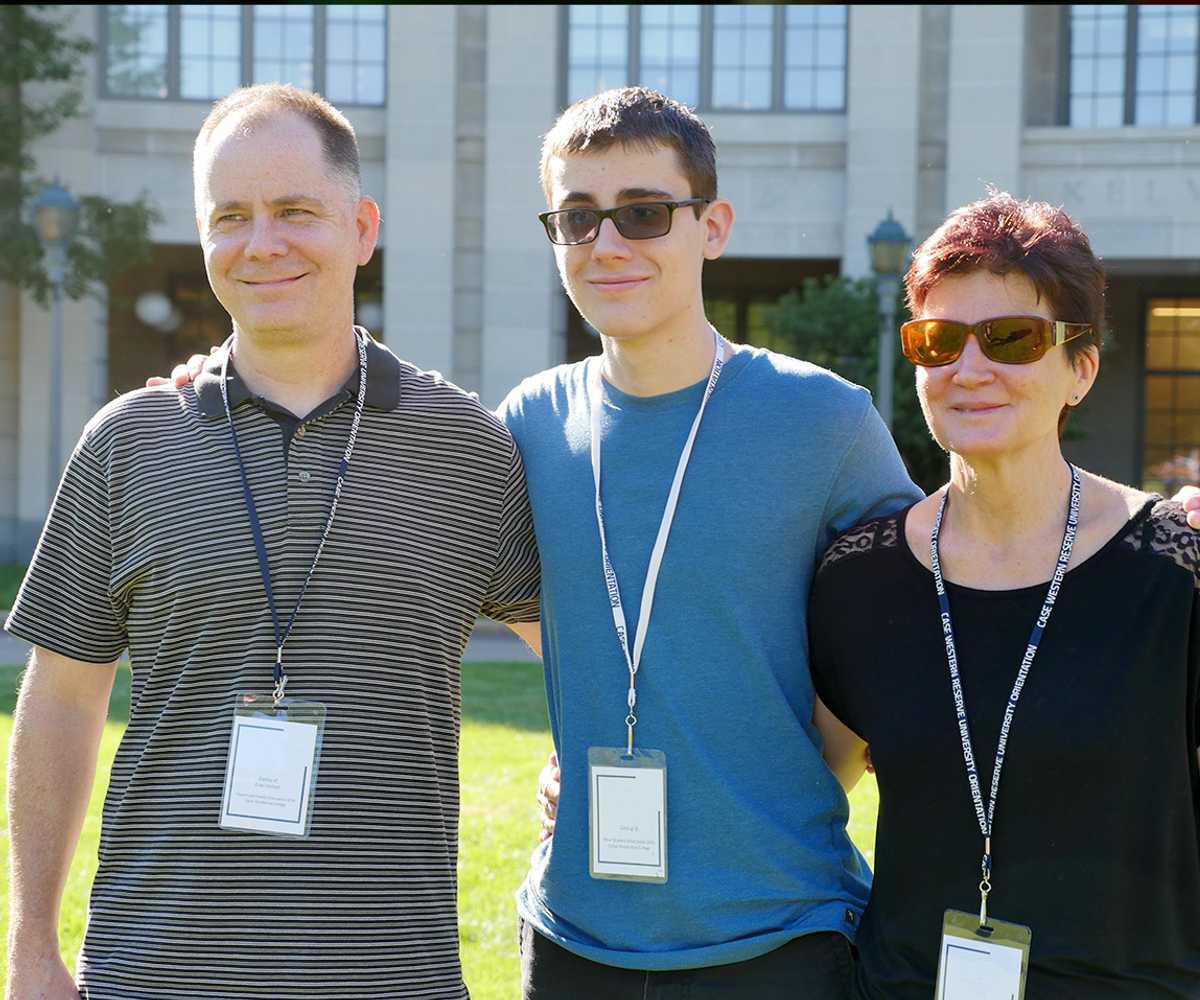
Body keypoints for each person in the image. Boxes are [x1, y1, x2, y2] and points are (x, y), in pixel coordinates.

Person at [5, 84, 540, 1000]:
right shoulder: (128, 440)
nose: (263, 244)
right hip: (152, 975)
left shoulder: (468, 446)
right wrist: (30, 950)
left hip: (390, 977)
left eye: (297, 211)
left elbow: (582, 664)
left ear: (363, 227)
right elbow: (60, 700)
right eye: (232, 217)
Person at [496, 87, 923, 999]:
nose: (607, 243)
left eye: (643, 214)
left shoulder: (825, 419)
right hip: (574, 938)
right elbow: (495, 578)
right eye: (577, 218)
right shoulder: (529, 421)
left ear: (712, 225)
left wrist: (813, 768)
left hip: (781, 933)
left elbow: (915, 617)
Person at [807, 192, 1200, 998]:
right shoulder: (858, 577)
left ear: (1080, 369)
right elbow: (800, 791)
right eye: (938, 340)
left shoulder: (1180, 571)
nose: (969, 369)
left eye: (1011, 339)